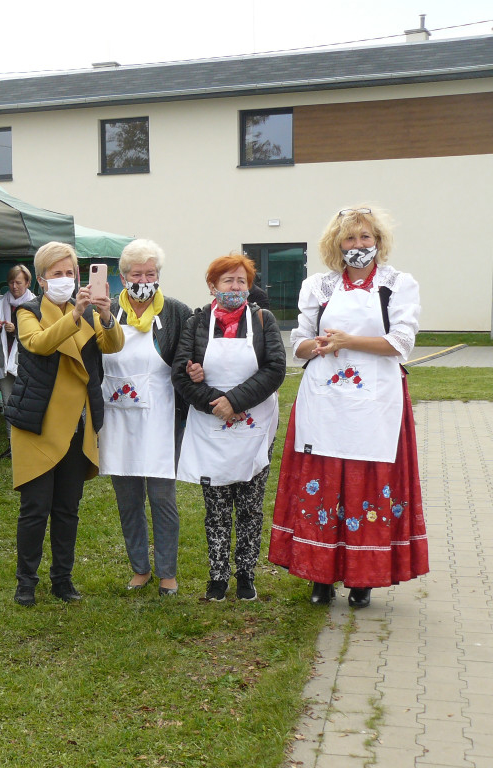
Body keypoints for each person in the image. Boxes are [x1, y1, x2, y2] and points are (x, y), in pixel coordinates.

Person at [268, 206, 428, 608]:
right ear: (337, 244)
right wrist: (318, 345)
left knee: (366, 484)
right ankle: (319, 576)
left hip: (375, 403)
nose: (358, 245)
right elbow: (299, 342)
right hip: (325, 400)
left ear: (378, 242)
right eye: (350, 239)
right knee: (322, 483)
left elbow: (400, 344)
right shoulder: (319, 287)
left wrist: (346, 341)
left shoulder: (397, 285)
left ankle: (362, 579)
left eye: (365, 238)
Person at [4, 242, 124, 606]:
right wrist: (75, 317)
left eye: (70, 272)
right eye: (56, 273)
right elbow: (38, 343)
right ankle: (26, 581)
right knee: (35, 508)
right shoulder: (27, 310)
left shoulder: (86, 310)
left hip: (78, 424)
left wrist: (104, 315)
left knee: (67, 509)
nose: (65, 279)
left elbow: (113, 345)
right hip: (38, 424)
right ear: (40, 279)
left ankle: (62, 579)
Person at [172, 253, 285, 602]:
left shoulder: (263, 321)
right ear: (212, 285)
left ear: (249, 287)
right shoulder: (196, 323)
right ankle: (217, 576)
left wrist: (235, 402)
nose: (235, 287)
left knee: (251, 505)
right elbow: (181, 372)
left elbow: (275, 368)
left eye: (241, 281)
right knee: (217, 506)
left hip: (255, 425)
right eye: (227, 281)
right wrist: (215, 404)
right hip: (212, 426)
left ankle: (246, 576)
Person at [98, 240, 192, 595]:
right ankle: (139, 568)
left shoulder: (176, 312)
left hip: (161, 420)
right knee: (127, 498)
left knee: (163, 498)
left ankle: (167, 571)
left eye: (150, 273)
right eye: (136, 274)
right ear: (123, 278)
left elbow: (187, 359)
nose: (144, 279)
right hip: (117, 420)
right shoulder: (105, 313)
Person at [0, 264, 36, 457]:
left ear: (28, 283)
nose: (14, 286)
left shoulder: (35, 303)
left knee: (27, 403)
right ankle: (13, 445)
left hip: (26, 362)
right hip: (4, 362)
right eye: (11, 282)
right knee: (8, 404)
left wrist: (18, 331)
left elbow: (41, 333)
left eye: (19, 282)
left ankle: (29, 443)